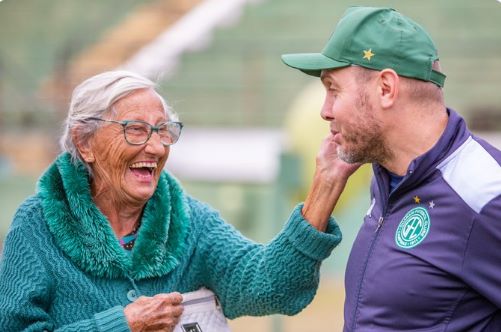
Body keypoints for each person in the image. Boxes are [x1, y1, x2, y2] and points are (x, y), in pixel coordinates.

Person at [0, 70, 356, 331]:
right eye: (135, 129)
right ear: (84, 143)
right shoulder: (38, 225)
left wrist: (324, 188)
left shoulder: (187, 220)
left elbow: (268, 287)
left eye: (163, 131)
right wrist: (123, 325)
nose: (155, 147)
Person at [282, 6, 501, 332]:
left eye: (333, 89)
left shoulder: (484, 193)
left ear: (385, 88)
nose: (325, 111)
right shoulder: (387, 180)